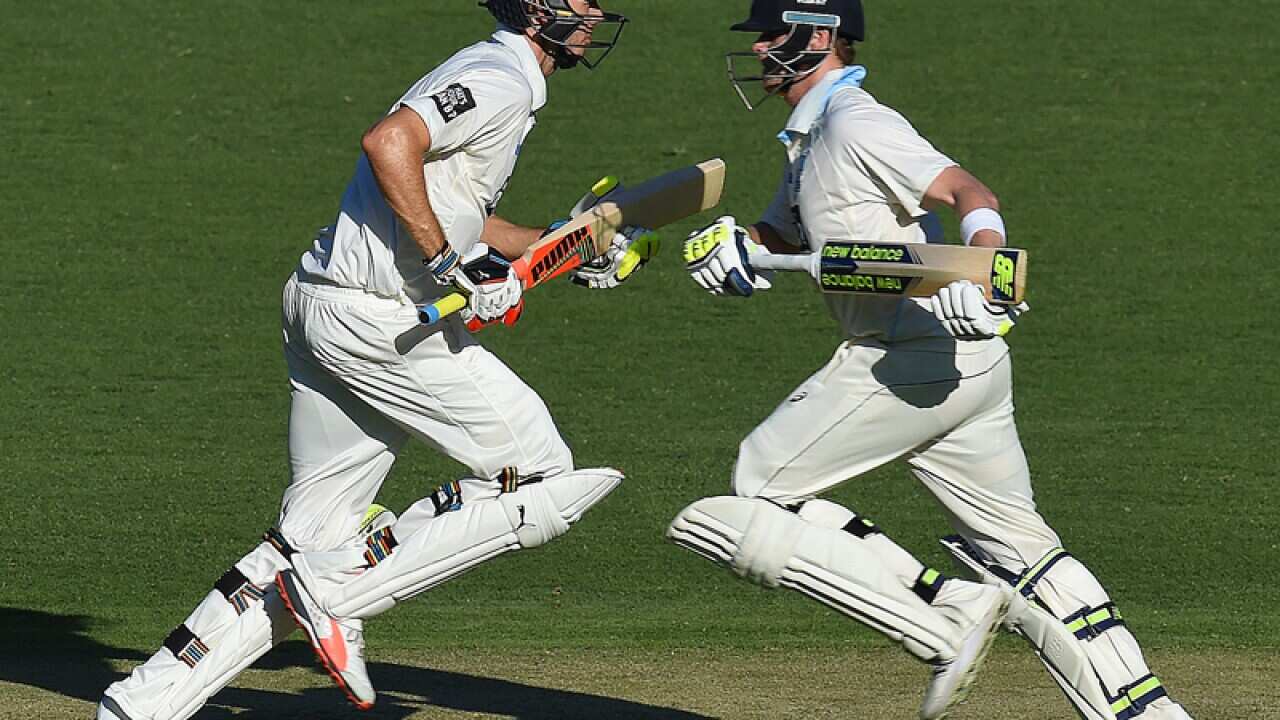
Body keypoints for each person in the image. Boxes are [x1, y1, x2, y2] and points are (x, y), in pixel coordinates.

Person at [98, 1, 654, 717]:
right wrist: (455, 267)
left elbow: (449, 201)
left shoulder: (497, 75)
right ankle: (335, 589)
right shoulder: (501, 75)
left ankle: (139, 706)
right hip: (377, 320)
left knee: (312, 533)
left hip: (325, 304)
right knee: (543, 476)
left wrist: (560, 241)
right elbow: (389, 142)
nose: (596, 10)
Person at [667, 1, 1193, 719]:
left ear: (817, 37)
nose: (758, 48)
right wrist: (738, 247)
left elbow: (969, 193)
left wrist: (983, 269)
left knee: (755, 488)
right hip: (969, 368)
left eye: (771, 34)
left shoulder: (856, 122)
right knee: (1024, 553)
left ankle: (944, 610)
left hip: (905, 356)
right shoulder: (811, 137)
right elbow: (790, 236)